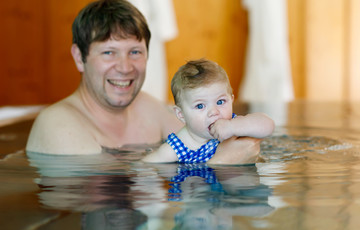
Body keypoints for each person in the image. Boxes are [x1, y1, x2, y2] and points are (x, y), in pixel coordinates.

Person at [26, 0, 263, 165]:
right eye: (109, 52)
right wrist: (221, 163)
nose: (125, 66)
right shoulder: (58, 125)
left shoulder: (150, 108)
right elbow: (103, 195)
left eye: (135, 52)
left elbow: (207, 142)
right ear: (80, 57)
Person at [143, 59, 274, 163]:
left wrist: (233, 127)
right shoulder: (178, 147)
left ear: (232, 99)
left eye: (221, 102)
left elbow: (268, 126)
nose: (214, 112)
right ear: (181, 114)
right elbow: (145, 166)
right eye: (200, 106)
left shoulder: (235, 123)